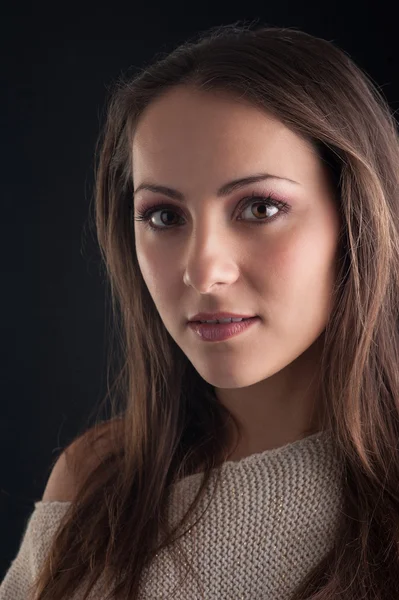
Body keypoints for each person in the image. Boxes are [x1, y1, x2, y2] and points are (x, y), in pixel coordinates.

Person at [2, 20, 399, 600]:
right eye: (163, 216)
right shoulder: (96, 480)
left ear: (354, 218)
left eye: (260, 207)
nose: (202, 270)